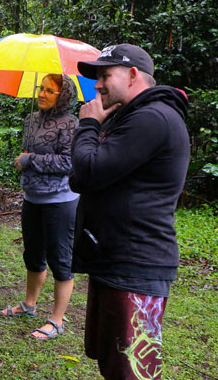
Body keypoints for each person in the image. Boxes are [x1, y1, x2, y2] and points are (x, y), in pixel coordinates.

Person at [70, 44, 190, 379]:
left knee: (133, 371)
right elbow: (82, 173)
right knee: (112, 363)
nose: (97, 85)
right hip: (116, 261)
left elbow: (87, 172)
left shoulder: (152, 119)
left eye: (105, 75)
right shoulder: (131, 117)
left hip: (136, 266)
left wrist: (89, 124)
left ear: (133, 75)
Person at [0, 74, 79, 341]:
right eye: (40, 88)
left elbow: (68, 163)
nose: (42, 94)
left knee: (60, 260)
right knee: (33, 255)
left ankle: (57, 320)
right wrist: (24, 161)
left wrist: (29, 159)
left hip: (60, 201)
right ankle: (29, 305)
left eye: (49, 91)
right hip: (32, 198)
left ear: (63, 95)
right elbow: (27, 155)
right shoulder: (30, 120)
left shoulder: (70, 123)